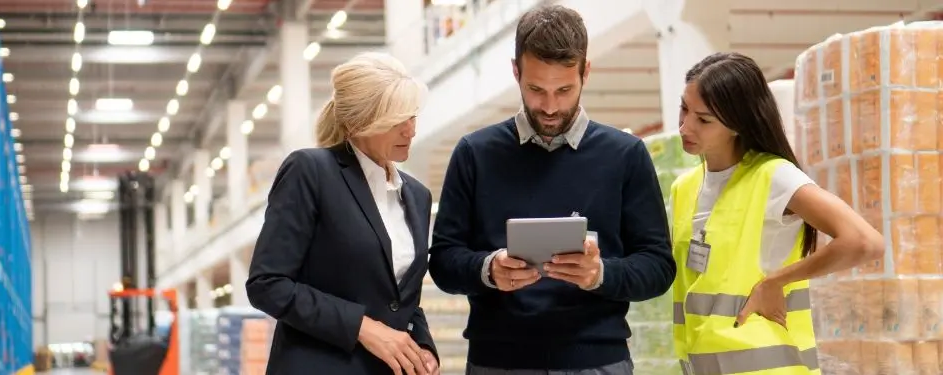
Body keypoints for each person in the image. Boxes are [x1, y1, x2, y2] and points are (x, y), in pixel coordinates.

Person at [428, 4, 676, 374]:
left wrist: (600, 274)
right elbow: (443, 260)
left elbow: (657, 266)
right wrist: (487, 269)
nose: (549, 106)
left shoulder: (625, 155)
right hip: (498, 362)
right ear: (515, 72)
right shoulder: (474, 154)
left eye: (564, 89)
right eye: (535, 89)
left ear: (585, 72)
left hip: (596, 361)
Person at [670, 52, 884, 374]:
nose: (685, 126)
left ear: (736, 124)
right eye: (684, 108)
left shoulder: (773, 176)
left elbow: (864, 241)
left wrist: (777, 281)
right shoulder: (684, 188)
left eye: (704, 119)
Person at [245, 52, 440, 375]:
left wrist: (423, 346)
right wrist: (363, 327)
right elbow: (267, 284)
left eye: (413, 116)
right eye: (396, 120)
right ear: (357, 123)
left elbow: (402, 299)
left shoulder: (417, 195)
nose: (410, 131)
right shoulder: (310, 172)